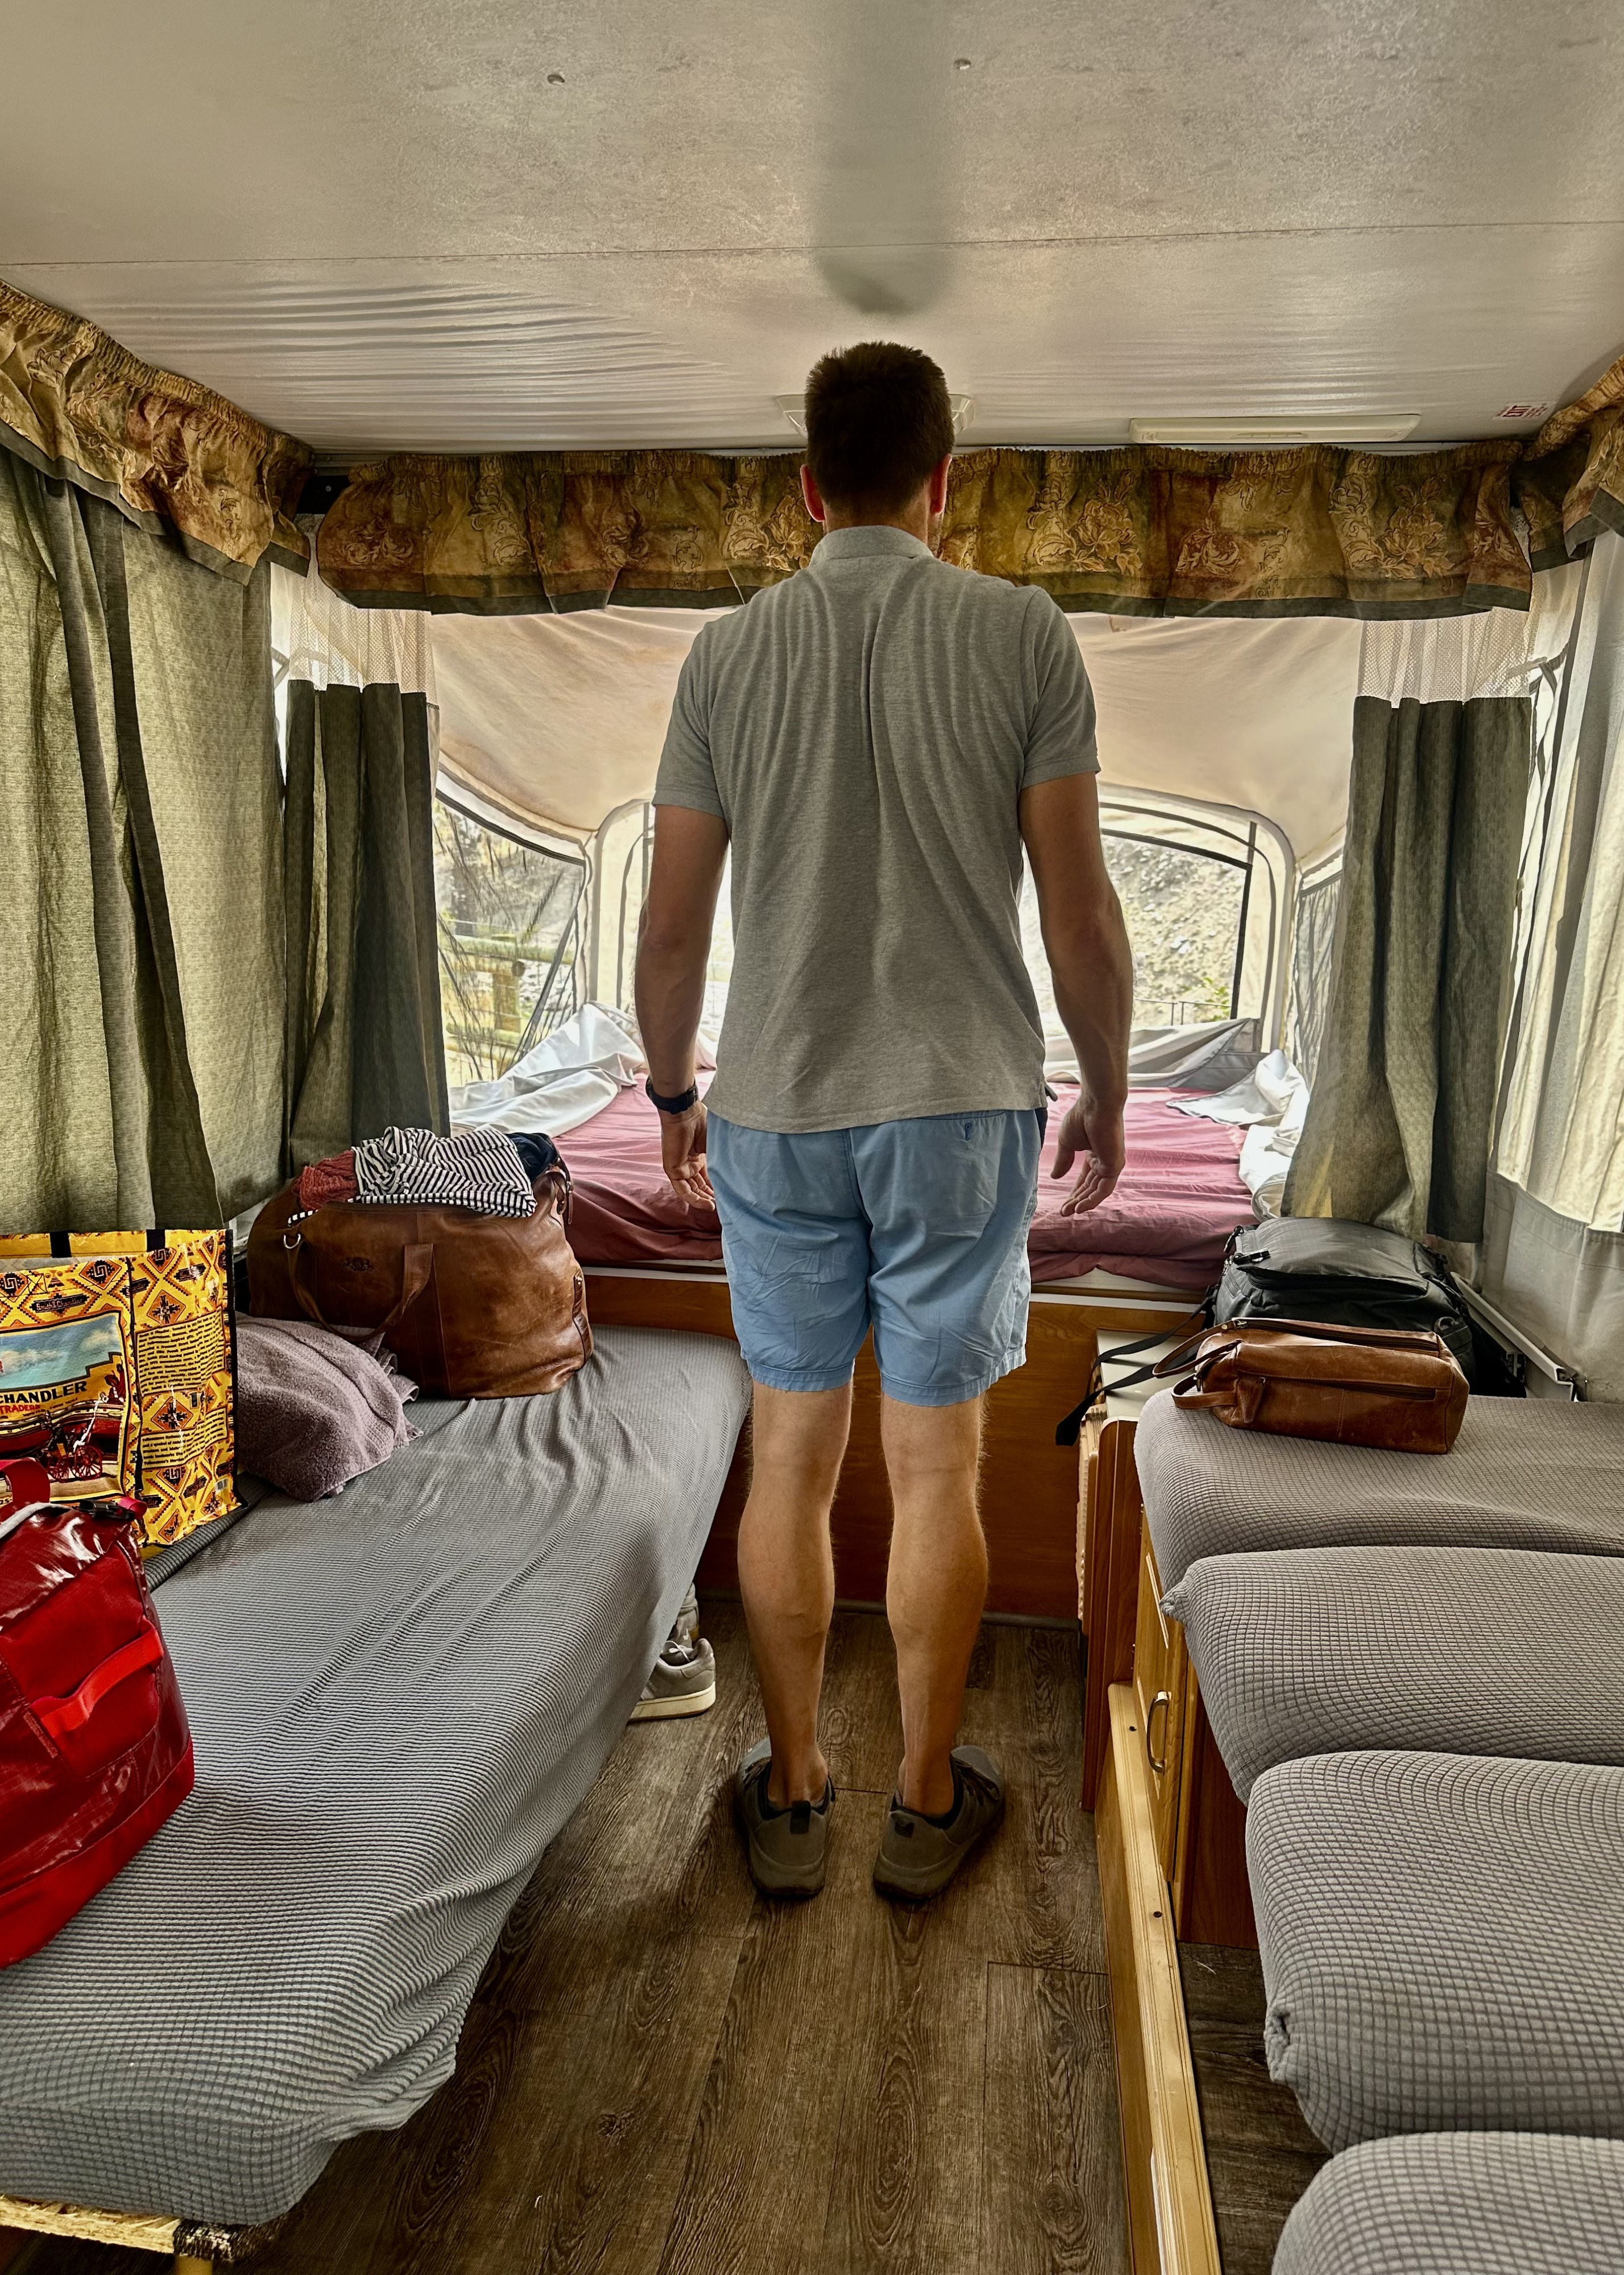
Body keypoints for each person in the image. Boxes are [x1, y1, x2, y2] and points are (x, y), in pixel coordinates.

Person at [635, 340, 1133, 1902]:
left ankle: (792, 1790)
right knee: (937, 1476)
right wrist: (1107, 1094)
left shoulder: (724, 660)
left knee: (788, 1459)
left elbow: (668, 929)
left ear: (805, 486)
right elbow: (1081, 912)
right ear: (944, 482)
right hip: (957, 1103)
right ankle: (926, 1800)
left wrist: (669, 1092)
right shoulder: (1022, 632)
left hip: (777, 1105)